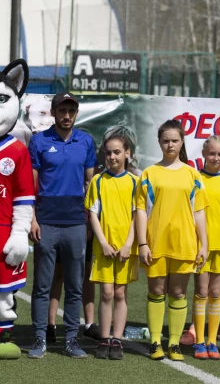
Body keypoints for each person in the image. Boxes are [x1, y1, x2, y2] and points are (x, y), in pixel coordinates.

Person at [28, 91, 96, 359]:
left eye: (71, 111)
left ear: (75, 113)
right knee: (42, 285)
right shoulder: (38, 141)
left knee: (75, 285)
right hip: (46, 221)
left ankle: (71, 339)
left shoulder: (86, 141)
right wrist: (32, 218)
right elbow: (30, 185)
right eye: (62, 111)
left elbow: (91, 185)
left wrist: (90, 220)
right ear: (54, 112)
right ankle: (39, 339)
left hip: (76, 222)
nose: (66, 116)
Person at [136, 119, 209, 362]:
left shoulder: (193, 174)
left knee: (178, 293)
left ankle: (175, 343)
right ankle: (156, 341)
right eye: (165, 140)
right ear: (159, 142)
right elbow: (141, 211)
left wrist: (204, 244)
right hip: (155, 241)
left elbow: (199, 212)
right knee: (156, 290)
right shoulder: (149, 173)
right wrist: (142, 243)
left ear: (181, 142)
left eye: (174, 140)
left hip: (184, 242)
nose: (170, 144)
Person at [85, 133, 138, 360]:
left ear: (127, 154)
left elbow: (138, 216)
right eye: (108, 153)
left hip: (126, 248)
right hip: (104, 247)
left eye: (117, 152)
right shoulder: (98, 181)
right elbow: (93, 214)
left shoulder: (135, 182)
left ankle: (117, 339)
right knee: (106, 292)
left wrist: (128, 244)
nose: (112, 156)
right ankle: (104, 338)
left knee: (119, 293)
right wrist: (103, 243)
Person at [187, 135, 220, 360]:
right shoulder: (194, 177)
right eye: (212, 153)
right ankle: (198, 342)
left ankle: (213, 342)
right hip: (201, 244)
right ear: (204, 154)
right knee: (201, 291)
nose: (216, 158)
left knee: (216, 293)